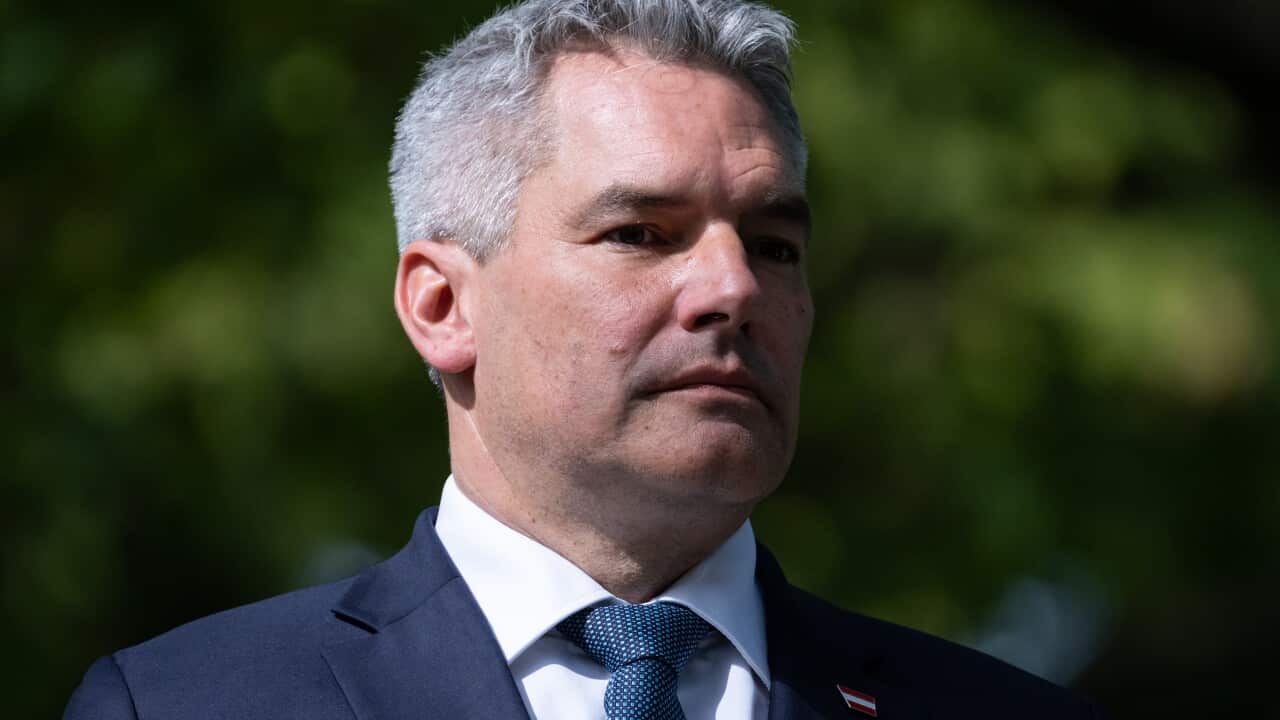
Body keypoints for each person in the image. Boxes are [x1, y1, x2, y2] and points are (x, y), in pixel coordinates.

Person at [65, 1, 1106, 718]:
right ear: (440, 304)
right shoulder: (186, 703)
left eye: (773, 244)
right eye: (640, 234)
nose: (734, 287)